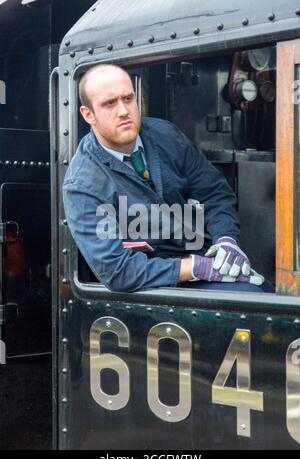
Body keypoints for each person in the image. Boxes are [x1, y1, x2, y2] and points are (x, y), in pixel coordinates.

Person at [63, 64, 274, 293]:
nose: (123, 111)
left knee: (268, 292)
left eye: (128, 98)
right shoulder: (82, 184)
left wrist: (226, 240)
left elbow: (214, 192)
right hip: (153, 282)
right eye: (109, 103)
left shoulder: (166, 135)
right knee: (250, 298)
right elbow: (118, 271)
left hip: (203, 256)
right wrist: (195, 268)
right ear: (88, 115)